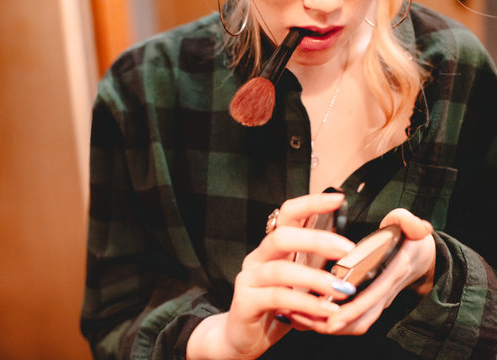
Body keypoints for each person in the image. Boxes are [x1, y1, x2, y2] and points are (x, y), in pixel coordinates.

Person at [80, 0, 497, 358]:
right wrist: (217, 340)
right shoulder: (142, 90)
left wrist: (433, 271)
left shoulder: (458, 70)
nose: (324, 5)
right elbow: (114, 320)